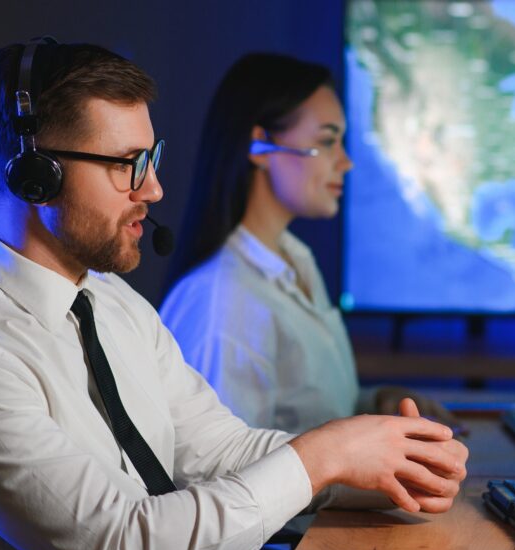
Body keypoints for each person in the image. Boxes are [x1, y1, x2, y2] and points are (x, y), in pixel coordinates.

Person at [0, 39, 467, 550]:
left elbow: (216, 452)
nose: (155, 188)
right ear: (35, 175)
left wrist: (374, 469)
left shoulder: (111, 303)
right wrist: (323, 455)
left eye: (152, 158)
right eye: (128, 164)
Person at [160, 53, 460, 433]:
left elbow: (310, 412)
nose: (345, 162)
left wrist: (377, 402)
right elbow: (224, 473)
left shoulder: (295, 260)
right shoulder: (224, 300)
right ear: (260, 147)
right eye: (327, 141)